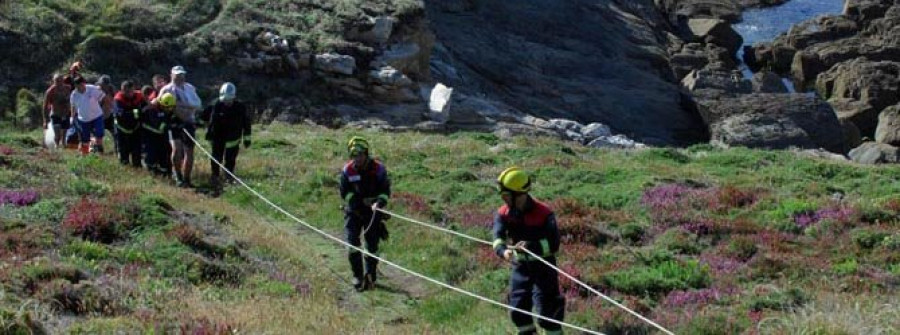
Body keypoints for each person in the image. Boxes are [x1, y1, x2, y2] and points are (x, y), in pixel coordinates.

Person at [492, 167, 564, 335]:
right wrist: (502, 251)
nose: (504, 200)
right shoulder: (504, 213)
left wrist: (533, 247)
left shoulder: (544, 214)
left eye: (506, 196)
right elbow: (498, 236)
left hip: (544, 268)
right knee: (518, 311)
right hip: (521, 267)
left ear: (520, 194)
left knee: (548, 314)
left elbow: (554, 244)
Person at [339, 137, 390, 292]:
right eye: (354, 155)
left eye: (360, 154)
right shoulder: (348, 171)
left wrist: (379, 203)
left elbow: (385, 191)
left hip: (373, 213)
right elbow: (344, 192)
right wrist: (357, 202)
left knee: (372, 245)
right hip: (354, 212)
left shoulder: (378, 169)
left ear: (366, 154)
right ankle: (357, 275)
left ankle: (371, 275)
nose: (357, 158)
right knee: (352, 243)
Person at [198, 82, 251, 189]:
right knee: (216, 158)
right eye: (225, 100)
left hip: (233, 139)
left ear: (234, 97)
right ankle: (215, 176)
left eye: (229, 100)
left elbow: (246, 123)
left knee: (230, 159)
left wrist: (247, 138)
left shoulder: (240, 107)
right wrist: (196, 124)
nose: (227, 102)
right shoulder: (215, 104)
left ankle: (229, 176)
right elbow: (203, 117)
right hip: (217, 138)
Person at [159, 65, 202, 187]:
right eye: (177, 75)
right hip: (174, 123)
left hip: (189, 122)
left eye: (182, 75)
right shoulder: (167, 89)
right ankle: (178, 176)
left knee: (189, 151)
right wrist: (183, 107)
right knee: (176, 149)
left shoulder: (190, 88)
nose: (180, 77)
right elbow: (160, 102)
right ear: (171, 75)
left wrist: (180, 105)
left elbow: (198, 104)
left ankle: (187, 179)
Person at [69, 76, 108, 155]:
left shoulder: (93, 89)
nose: (79, 88)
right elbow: (73, 106)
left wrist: (104, 111)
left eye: (80, 85)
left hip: (97, 116)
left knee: (99, 134)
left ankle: (100, 151)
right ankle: (85, 155)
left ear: (84, 83)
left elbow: (104, 98)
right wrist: (72, 117)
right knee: (85, 138)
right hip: (83, 119)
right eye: (76, 86)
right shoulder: (74, 94)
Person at [113, 81, 146, 167]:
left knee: (137, 152)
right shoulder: (118, 99)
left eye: (131, 91)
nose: (129, 94)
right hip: (122, 129)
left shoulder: (139, 96)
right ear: (122, 90)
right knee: (123, 153)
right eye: (126, 91)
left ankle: (137, 168)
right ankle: (125, 169)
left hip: (136, 128)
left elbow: (146, 106)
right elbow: (122, 115)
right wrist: (138, 111)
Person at [141, 93, 175, 176]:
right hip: (150, 137)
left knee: (165, 156)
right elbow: (159, 126)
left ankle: (165, 173)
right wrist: (169, 125)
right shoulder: (152, 110)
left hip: (161, 138)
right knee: (151, 156)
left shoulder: (166, 111)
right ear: (162, 104)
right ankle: (152, 174)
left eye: (171, 107)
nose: (169, 109)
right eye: (168, 107)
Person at [43, 74, 72, 147]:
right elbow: (45, 106)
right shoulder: (50, 91)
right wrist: (45, 120)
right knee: (57, 134)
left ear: (63, 81)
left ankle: (64, 145)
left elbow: (73, 100)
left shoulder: (68, 88)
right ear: (54, 81)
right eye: (57, 81)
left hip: (66, 114)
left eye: (61, 81)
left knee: (64, 134)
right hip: (56, 114)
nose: (59, 83)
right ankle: (57, 146)